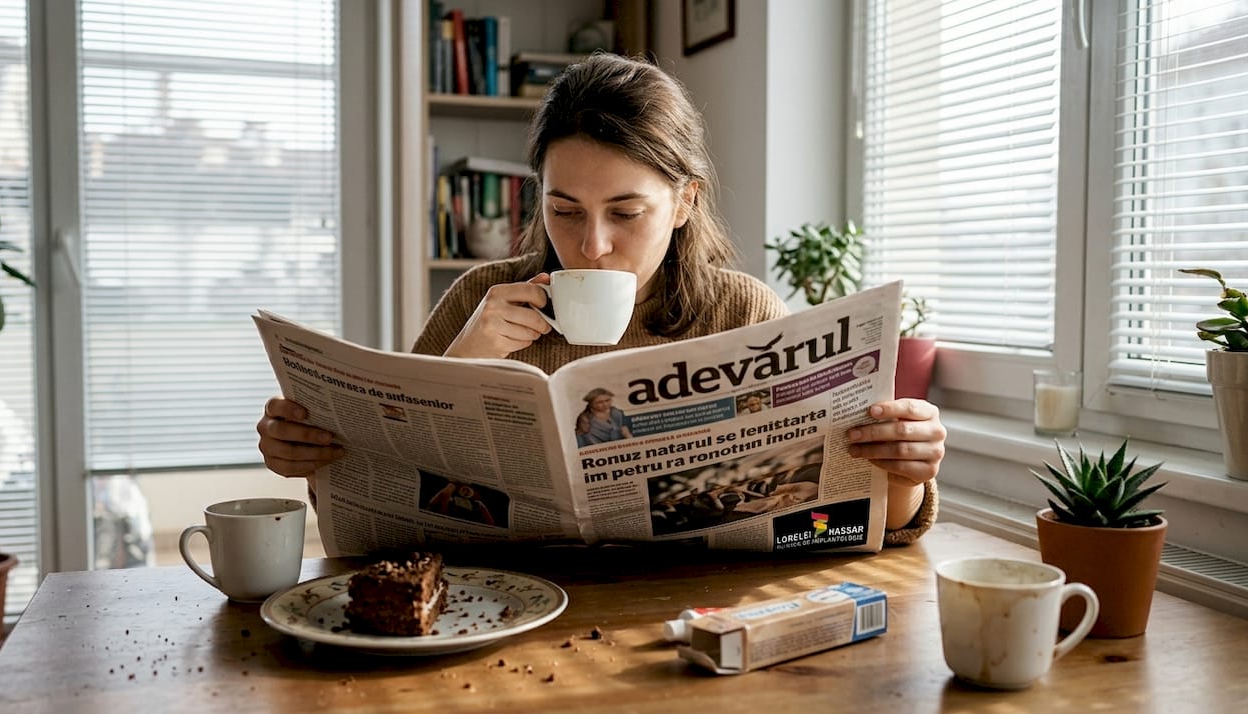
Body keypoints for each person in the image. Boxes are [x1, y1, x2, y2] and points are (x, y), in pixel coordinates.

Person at [257, 53, 947, 546]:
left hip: (686, 615)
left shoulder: (743, 314)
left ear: (683, 203)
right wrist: (313, 453)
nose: (590, 246)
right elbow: (376, 515)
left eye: (625, 213)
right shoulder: (476, 298)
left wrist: (904, 474)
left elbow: (841, 522)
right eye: (565, 210)